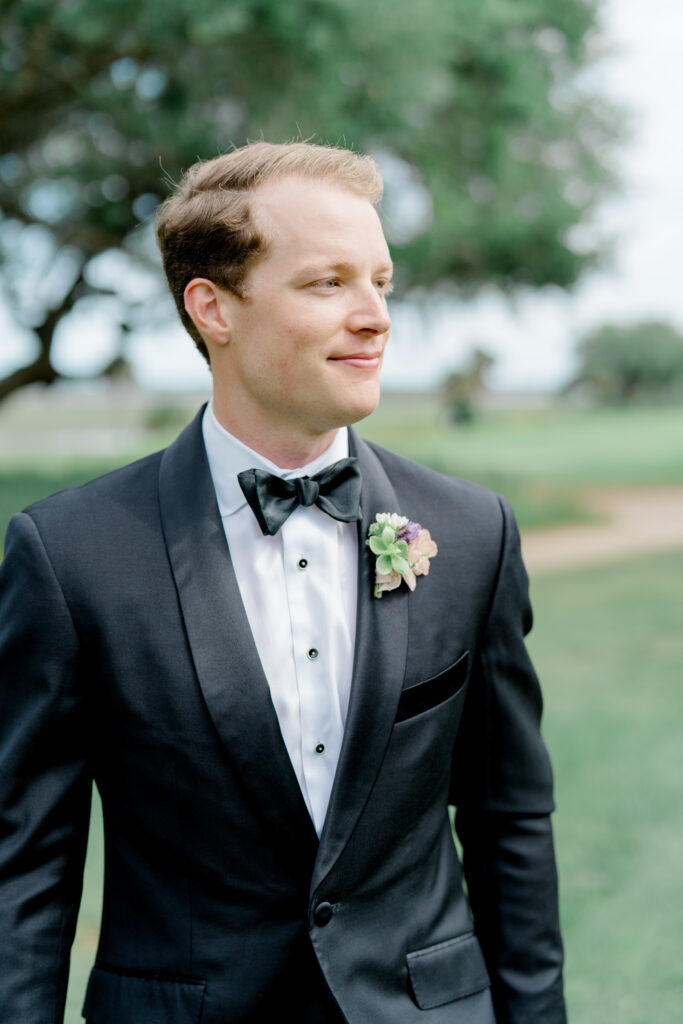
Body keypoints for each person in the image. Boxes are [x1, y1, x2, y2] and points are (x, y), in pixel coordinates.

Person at [0, 141, 566, 1024]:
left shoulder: (471, 532)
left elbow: (510, 825)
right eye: (327, 283)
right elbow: (27, 868)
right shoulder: (70, 555)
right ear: (213, 308)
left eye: (381, 281)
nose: (374, 315)